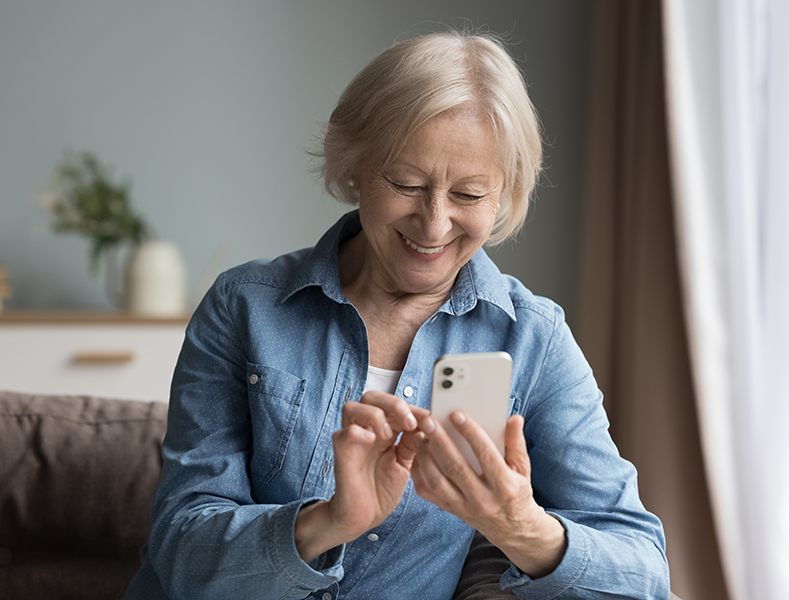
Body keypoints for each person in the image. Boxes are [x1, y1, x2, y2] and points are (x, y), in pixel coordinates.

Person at [123, 31, 669, 600]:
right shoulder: (245, 306)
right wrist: (329, 521)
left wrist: (518, 526)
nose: (434, 225)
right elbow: (181, 551)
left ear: (504, 192)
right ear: (356, 167)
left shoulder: (533, 338)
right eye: (406, 184)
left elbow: (644, 572)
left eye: (471, 194)